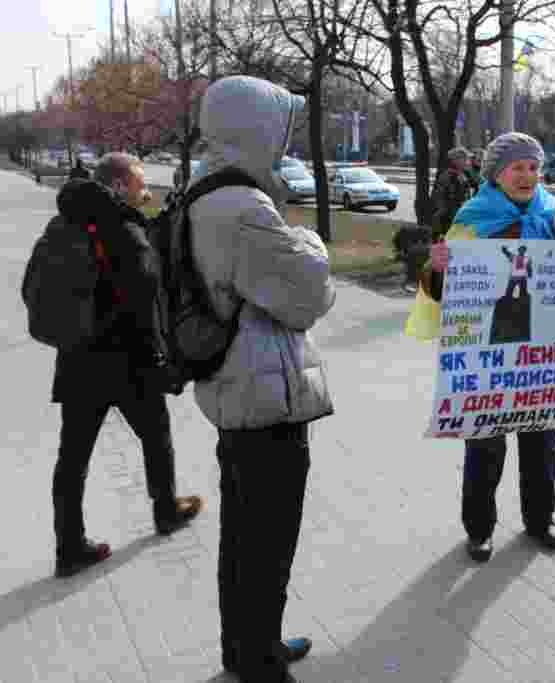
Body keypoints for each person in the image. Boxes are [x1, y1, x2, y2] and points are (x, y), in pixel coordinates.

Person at [191, 75, 336, 683]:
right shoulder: (242, 207)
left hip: (238, 386)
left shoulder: (207, 191)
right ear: (257, 129)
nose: (285, 142)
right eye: (281, 129)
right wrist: (311, 243)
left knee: (243, 536)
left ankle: (246, 647)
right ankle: (260, 662)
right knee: (267, 541)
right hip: (264, 395)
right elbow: (306, 298)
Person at [420, 132, 555, 563]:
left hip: (540, 354)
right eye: (517, 167)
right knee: (485, 446)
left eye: (533, 167)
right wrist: (438, 268)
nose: (527, 176)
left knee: (542, 442)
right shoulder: (472, 217)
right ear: (496, 174)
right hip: (489, 355)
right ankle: (479, 528)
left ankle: (541, 520)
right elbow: (445, 291)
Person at [46, 153, 203, 578]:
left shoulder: (66, 222)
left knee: (72, 458)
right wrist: (161, 359)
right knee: (157, 437)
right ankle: (166, 510)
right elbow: (144, 300)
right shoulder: (124, 228)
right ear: (117, 185)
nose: (144, 189)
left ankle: (68, 546)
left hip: (78, 362)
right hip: (129, 363)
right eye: (138, 182)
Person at [431, 146, 473, 242]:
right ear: (456, 160)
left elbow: (467, 194)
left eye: (467, 159)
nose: (467, 162)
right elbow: (440, 197)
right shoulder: (447, 176)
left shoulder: (464, 174)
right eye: (465, 159)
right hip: (450, 217)